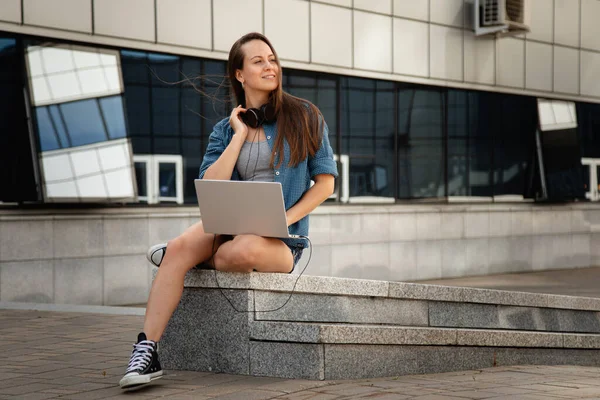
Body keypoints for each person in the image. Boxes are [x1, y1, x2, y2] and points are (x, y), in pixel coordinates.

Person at [119, 32, 338, 389]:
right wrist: (238, 135)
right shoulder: (225, 129)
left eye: (272, 59)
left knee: (243, 248)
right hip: (229, 225)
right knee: (179, 249)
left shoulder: (305, 116)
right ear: (239, 74)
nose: (270, 66)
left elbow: (326, 184)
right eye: (258, 61)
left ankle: (198, 258)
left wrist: (284, 219)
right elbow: (212, 185)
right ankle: (147, 351)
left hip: (281, 241)